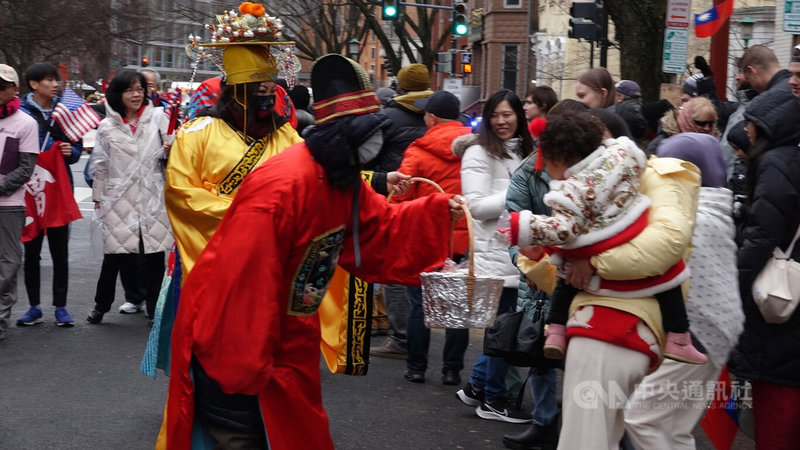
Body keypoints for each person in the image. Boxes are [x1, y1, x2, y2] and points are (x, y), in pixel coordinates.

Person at [162, 53, 468, 450]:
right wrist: (246, 363)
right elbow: (242, 283)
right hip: (240, 336)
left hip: (287, 336)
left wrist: (435, 210)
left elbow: (377, 231)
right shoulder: (281, 189)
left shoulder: (337, 178)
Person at [516, 142, 701, 449]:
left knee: (586, 439)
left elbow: (666, 245)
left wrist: (590, 262)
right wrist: (543, 258)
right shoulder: (613, 180)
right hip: (608, 327)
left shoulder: (655, 177)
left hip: (609, 332)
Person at [505, 113, 706, 364]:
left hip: (615, 260)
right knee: (669, 280)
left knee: (669, 273)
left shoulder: (582, 187)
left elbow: (667, 244)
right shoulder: (624, 163)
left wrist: (522, 227)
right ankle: (678, 335)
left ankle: (556, 330)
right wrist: (540, 257)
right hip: (619, 239)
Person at [624, 132, 744, 449]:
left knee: (642, 418)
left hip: (695, 333)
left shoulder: (691, 218)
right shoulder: (716, 209)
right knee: (674, 428)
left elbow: (650, 260)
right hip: (716, 330)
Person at [453, 89, 533, 424]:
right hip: (495, 253)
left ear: (519, 116)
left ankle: (476, 388)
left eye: (507, 114)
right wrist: (519, 192)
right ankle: (494, 400)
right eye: (495, 116)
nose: (501, 122)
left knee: (505, 328)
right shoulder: (478, 153)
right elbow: (476, 206)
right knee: (506, 330)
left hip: (518, 248)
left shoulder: (525, 150)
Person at [728, 81, 800, 450]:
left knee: (777, 416)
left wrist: (732, 290)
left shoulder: (775, 162)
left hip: (779, 306)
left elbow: (760, 235)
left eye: (752, 122)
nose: (747, 130)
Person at [388, 90, 473, 384]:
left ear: (431, 117)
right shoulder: (473, 148)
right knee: (459, 304)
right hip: (462, 238)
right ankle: (452, 369)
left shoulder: (418, 150)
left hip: (425, 239)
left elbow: (400, 195)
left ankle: (416, 367)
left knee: (419, 304)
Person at [85, 70, 172, 323]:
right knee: (114, 255)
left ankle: (155, 309)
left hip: (152, 195)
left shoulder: (159, 119)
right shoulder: (106, 126)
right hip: (118, 198)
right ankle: (101, 306)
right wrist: (98, 196)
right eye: (130, 90)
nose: (136, 95)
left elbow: (175, 158)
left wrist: (170, 149)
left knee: (155, 256)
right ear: (118, 94)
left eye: (140, 89)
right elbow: (101, 164)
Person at [368, 63, 433, 360]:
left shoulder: (387, 117)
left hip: (393, 197)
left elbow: (371, 157)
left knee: (394, 270)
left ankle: (401, 337)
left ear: (401, 87)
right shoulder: (438, 116)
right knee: (425, 267)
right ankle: (419, 331)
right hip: (431, 200)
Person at [16, 62, 83, 327]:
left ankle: (61, 307)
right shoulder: (19, 112)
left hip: (58, 188)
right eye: (48, 80)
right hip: (28, 191)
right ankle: (33, 307)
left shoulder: (65, 111)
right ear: (33, 84)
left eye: (55, 80)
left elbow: (76, 147)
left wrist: (71, 153)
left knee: (60, 252)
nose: (55, 84)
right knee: (30, 251)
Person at [0, 64, 39, 341]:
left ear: (16, 89)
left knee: (9, 262)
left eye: (4, 86)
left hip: (10, 204)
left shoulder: (26, 123)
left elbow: (26, 169)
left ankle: (1, 319)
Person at [647, 96, 718, 155]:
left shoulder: (714, 145)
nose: (707, 128)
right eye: (701, 123)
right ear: (687, 120)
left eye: (710, 123)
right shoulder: (660, 146)